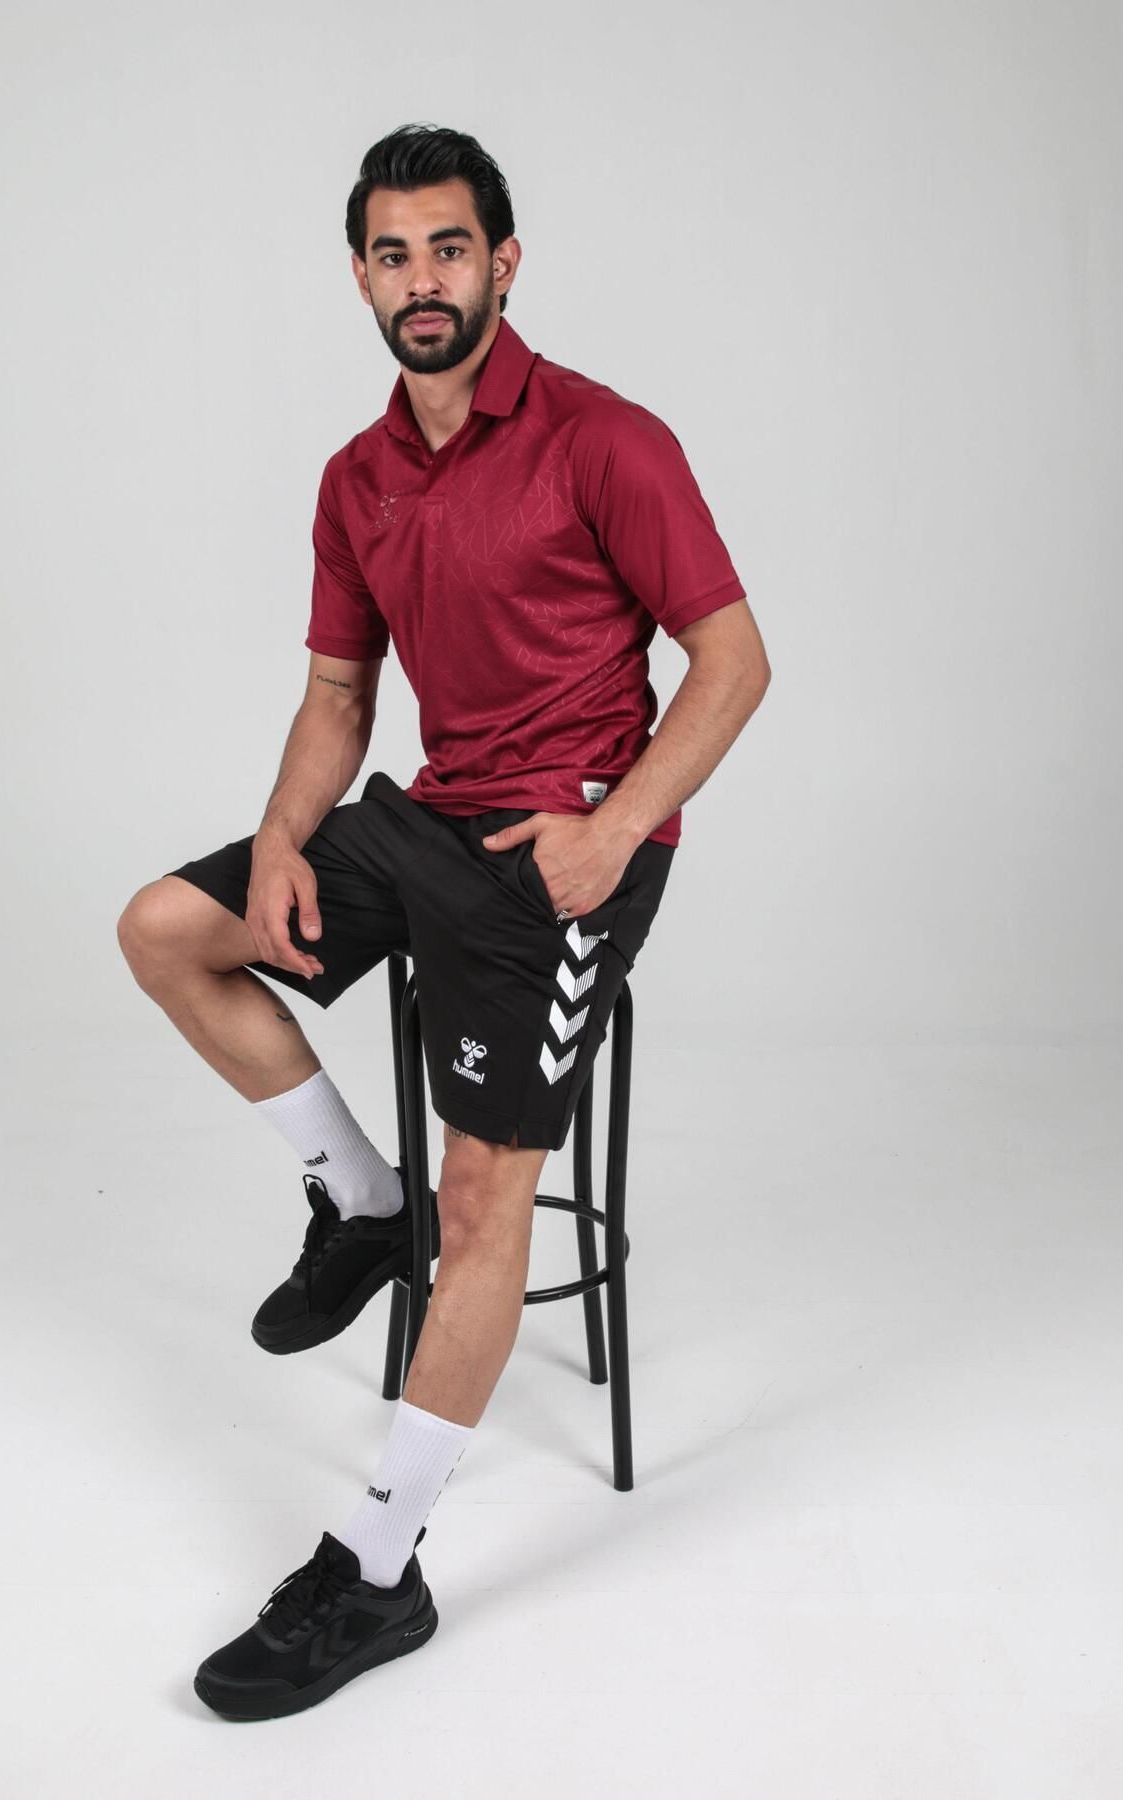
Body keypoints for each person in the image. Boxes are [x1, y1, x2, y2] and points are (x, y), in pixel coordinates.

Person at [116, 120, 770, 1722]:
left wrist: (613, 831)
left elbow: (734, 660)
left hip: (561, 854)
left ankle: (377, 1568)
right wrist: (285, 839)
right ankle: (361, 1204)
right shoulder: (357, 478)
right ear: (361, 277)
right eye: (394, 254)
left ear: (504, 263)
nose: (424, 280)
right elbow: (340, 692)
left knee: (488, 1200)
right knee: (164, 928)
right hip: (424, 818)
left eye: (451, 249)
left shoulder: (607, 439)